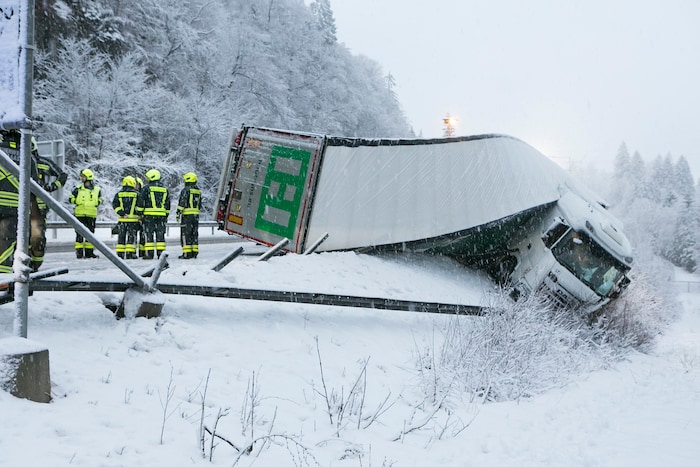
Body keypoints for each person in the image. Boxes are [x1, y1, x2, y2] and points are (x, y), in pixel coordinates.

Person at [0, 129, 41, 274]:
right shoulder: (28, 157)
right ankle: (2, 279)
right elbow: (35, 186)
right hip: (14, 209)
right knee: (5, 244)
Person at [29, 136, 67, 272]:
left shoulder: (44, 163)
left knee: (37, 237)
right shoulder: (15, 161)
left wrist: (52, 186)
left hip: (38, 208)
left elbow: (62, 175)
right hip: (17, 205)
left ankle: (35, 265)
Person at [137, 168, 170, 259]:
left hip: (149, 217)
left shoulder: (146, 189)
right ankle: (161, 254)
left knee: (149, 235)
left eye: (148, 177)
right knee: (160, 236)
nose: (147, 179)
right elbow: (168, 204)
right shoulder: (164, 189)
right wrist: (165, 215)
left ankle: (149, 254)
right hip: (161, 217)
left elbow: (141, 203)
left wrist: (140, 214)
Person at [69, 168, 102, 259]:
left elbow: (100, 199)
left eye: (83, 176)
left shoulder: (97, 189)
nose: (82, 178)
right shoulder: (78, 189)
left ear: (88, 177)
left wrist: (97, 202)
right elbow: (71, 198)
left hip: (91, 215)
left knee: (90, 234)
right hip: (80, 214)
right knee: (79, 234)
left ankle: (89, 253)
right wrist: (76, 201)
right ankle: (79, 253)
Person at [112, 176, 140, 259]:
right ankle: (130, 254)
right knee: (131, 237)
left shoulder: (118, 194)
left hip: (122, 220)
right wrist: (139, 215)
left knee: (121, 237)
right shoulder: (137, 194)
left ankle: (120, 254)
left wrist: (122, 213)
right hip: (133, 220)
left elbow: (115, 205)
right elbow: (140, 206)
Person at [176, 172, 202, 259]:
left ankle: (187, 253)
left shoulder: (186, 190)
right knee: (194, 233)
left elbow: (182, 202)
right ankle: (194, 252)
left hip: (187, 216)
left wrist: (178, 213)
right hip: (195, 216)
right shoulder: (198, 191)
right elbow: (200, 204)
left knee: (185, 234)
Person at [134, 177, 146, 258]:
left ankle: (142, 252)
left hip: (141, 218)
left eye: (137, 184)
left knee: (143, 236)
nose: (135, 186)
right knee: (133, 236)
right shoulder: (131, 193)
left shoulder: (143, 193)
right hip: (133, 218)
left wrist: (141, 216)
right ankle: (132, 252)